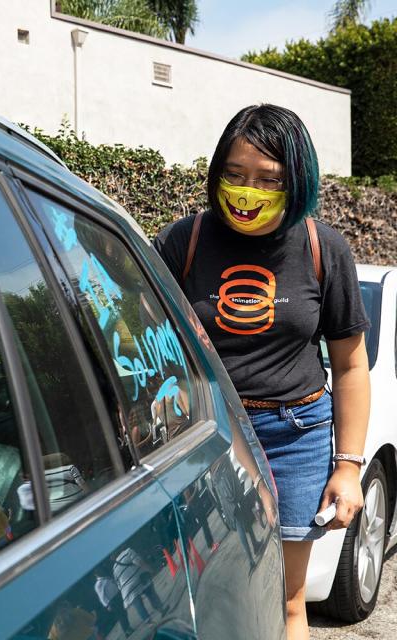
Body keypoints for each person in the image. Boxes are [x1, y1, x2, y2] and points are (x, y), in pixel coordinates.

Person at [154, 104, 370, 640]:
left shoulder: (325, 249)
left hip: (295, 435)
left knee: (286, 600)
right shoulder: (185, 241)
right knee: (200, 593)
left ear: (297, 181)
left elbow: (349, 365)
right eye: (234, 174)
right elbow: (147, 344)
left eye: (267, 180)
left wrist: (348, 467)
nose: (247, 191)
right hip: (204, 435)